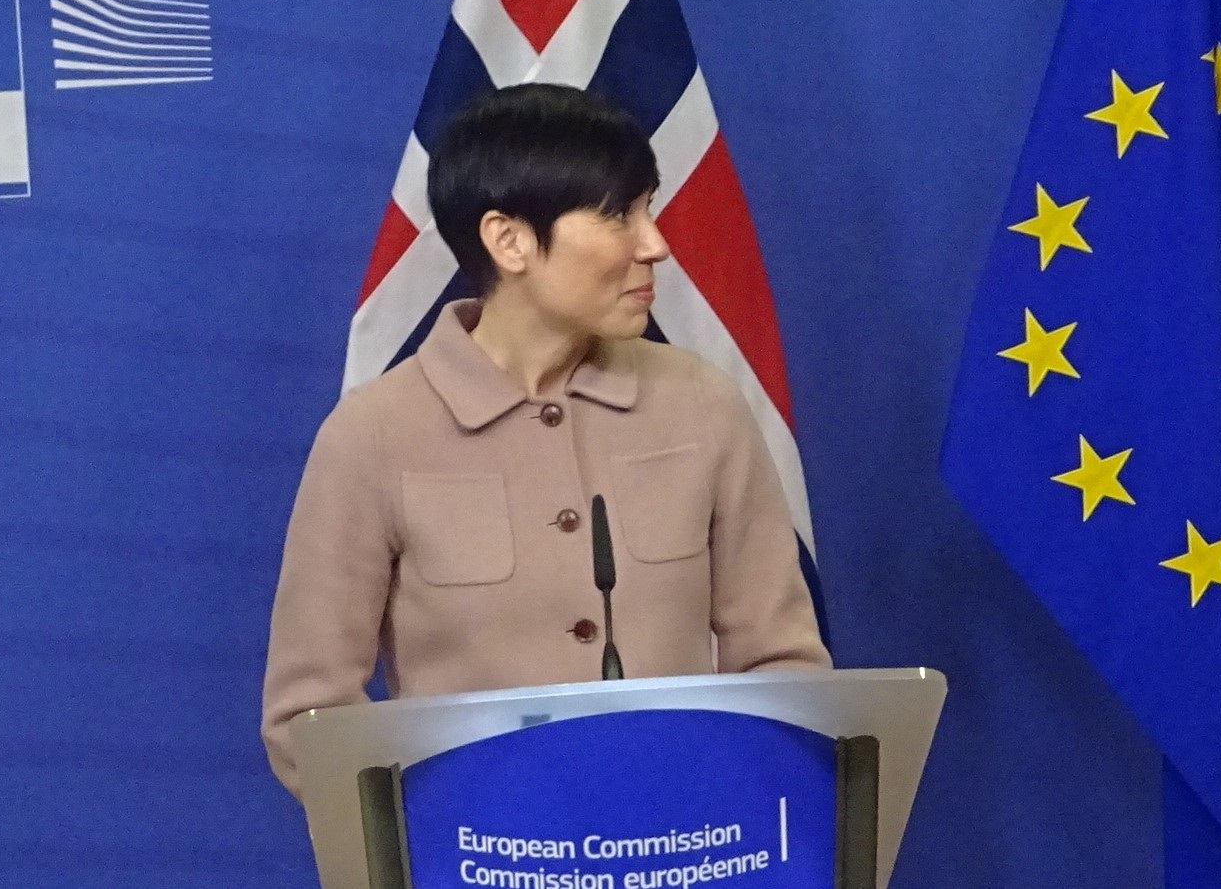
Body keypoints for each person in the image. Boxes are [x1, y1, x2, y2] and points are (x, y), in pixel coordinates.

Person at [261, 84, 829, 793]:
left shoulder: (702, 404)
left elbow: (783, 665)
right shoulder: (372, 435)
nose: (655, 243)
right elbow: (307, 719)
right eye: (620, 213)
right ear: (509, 239)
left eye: (648, 206)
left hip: (685, 845)